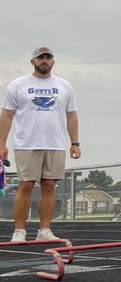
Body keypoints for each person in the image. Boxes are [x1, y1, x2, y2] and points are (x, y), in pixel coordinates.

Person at [0, 47, 80, 242]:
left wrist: (75, 143)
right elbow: (7, 115)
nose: (44, 61)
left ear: (53, 61)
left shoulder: (64, 86)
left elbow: (71, 115)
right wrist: (1, 144)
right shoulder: (18, 85)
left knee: (49, 186)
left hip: (55, 143)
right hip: (27, 143)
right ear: (33, 61)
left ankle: (45, 230)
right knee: (25, 185)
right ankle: (19, 231)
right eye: (40, 58)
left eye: (48, 57)